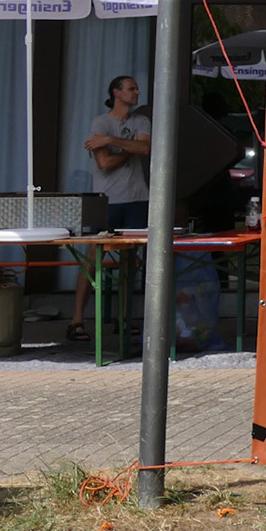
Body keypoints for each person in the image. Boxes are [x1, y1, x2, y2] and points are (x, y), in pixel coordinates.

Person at [74, 76, 151, 341]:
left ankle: (124, 318)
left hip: (137, 198)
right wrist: (131, 148)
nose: (137, 92)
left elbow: (145, 147)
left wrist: (111, 140)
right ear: (117, 93)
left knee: (130, 260)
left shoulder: (141, 121)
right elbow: (105, 163)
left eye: (137, 88)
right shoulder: (101, 122)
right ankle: (77, 320)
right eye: (131, 88)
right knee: (93, 257)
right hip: (107, 199)